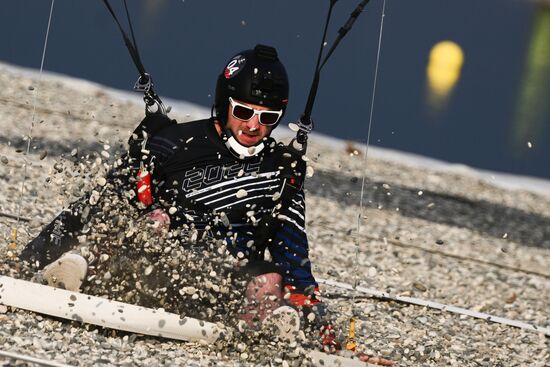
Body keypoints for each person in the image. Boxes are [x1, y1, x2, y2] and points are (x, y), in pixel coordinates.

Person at [19, 44, 325, 336]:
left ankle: (272, 328)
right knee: (153, 221)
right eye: (244, 112)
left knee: (271, 279)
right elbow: (95, 205)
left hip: (223, 287)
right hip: (151, 267)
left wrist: (319, 324)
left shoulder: (281, 171)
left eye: (268, 118)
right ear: (224, 102)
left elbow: (293, 253)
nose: (254, 126)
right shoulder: (173, 142)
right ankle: (73, 269)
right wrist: (29, 258)